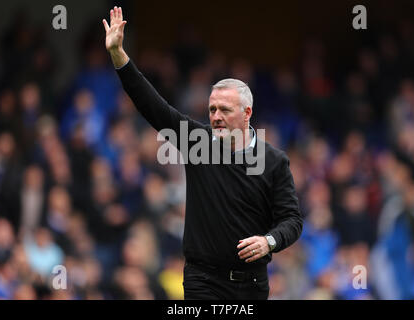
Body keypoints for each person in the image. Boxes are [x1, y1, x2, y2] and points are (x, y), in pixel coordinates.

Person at [102, 7, 302, 300]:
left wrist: (269, 241)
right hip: (202, 282)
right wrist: (118, 54)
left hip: (252, 285)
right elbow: (151, 105)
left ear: (247, 113)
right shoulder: (199, 142)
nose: (216, 116)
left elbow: (292, 221)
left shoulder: (273, 161)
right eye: (212, 109)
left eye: (224, 109)